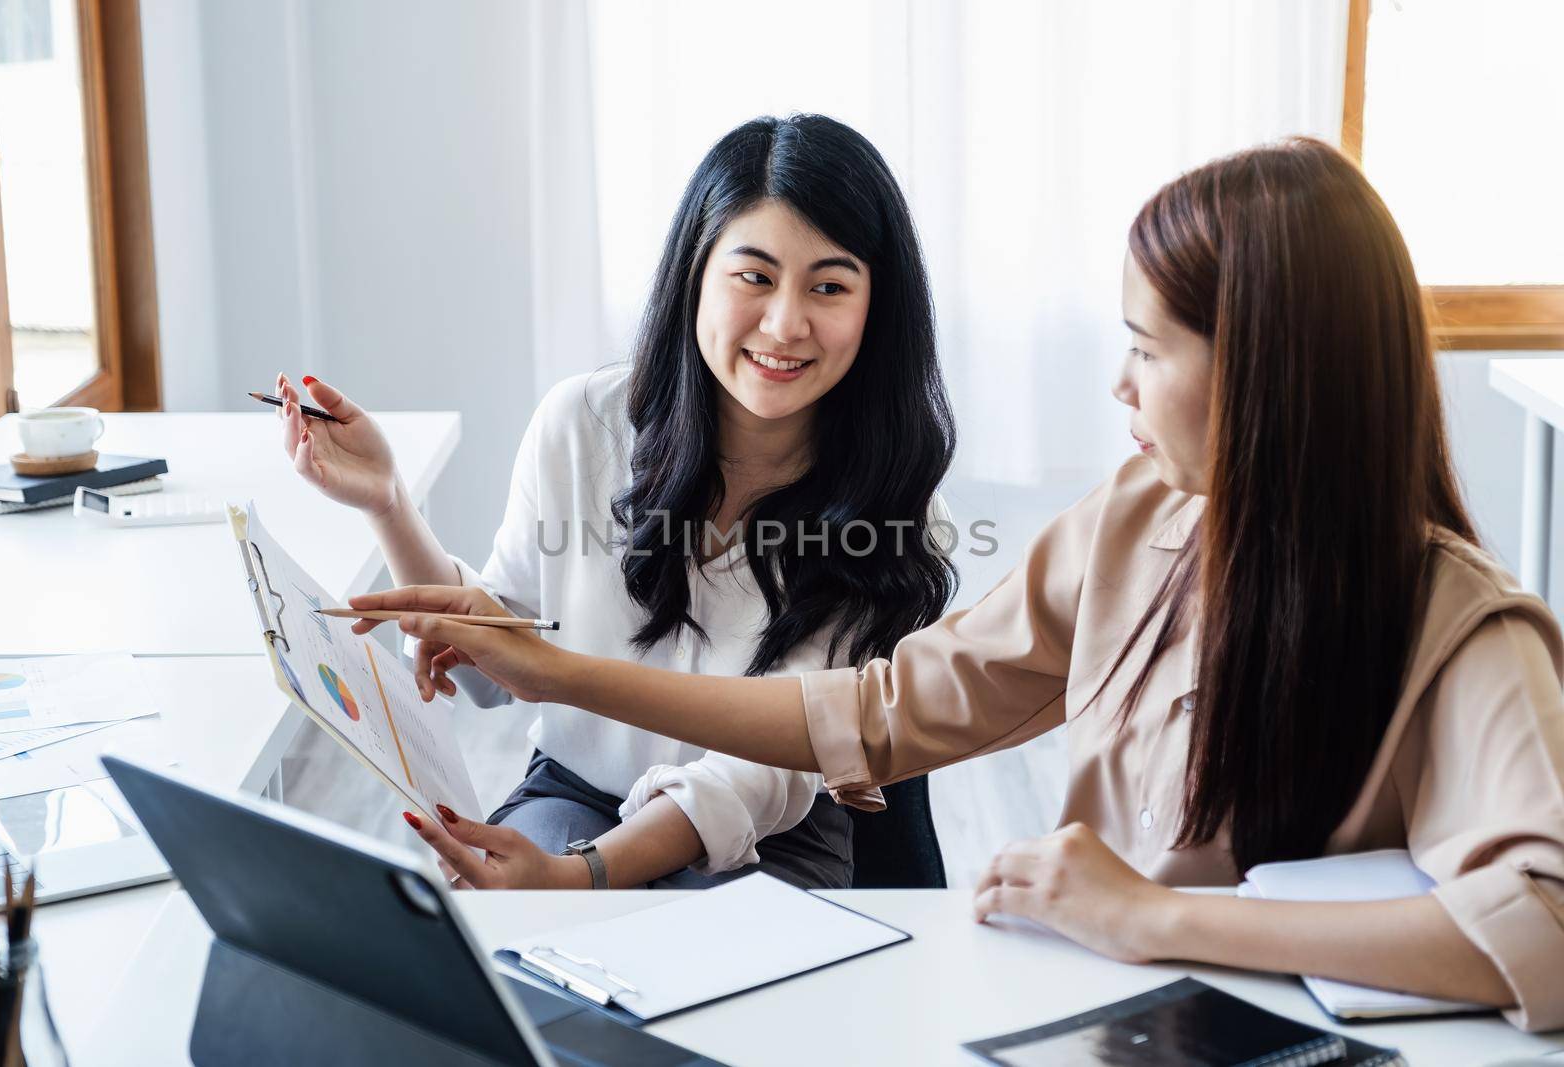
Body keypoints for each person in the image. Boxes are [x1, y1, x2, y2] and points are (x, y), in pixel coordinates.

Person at [356, 138, 1564, 1031]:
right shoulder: (1133, 526)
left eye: (1147, 350)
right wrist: (554, 668)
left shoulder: (1464, 630)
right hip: (1107, 1011)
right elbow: (875, 712)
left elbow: (1545, 929)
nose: (1119, 387)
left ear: (1269, 375)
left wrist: (1155, 917)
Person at [274, 114, 957, 891]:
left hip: (771, 836)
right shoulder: (582, 424)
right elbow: (498, 663)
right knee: (508, 967)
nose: (784, 323)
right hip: (576, 793)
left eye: (829, 286)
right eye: (754, 276)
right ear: (696, 273)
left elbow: (763, 769)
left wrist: (586, 876)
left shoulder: (894, 497)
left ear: (877, 307)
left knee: (701, 994)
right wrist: (388, 500)